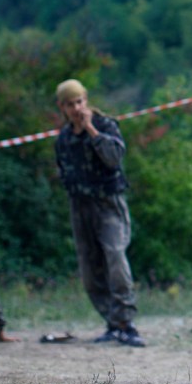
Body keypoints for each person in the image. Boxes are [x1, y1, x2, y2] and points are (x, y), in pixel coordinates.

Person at [54, 79, 145, 348]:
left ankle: (126, 323)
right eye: (70, 104)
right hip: (80, 205)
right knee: (90, 269)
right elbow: (63, 169)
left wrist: (91, 130)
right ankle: (112, 322)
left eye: (79, 101)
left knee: (115, 256)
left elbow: (115, 157)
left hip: (108, 203)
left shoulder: (105, 126)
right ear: (62, 107)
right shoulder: (64, 138)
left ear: (86, 100)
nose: (76, 108)